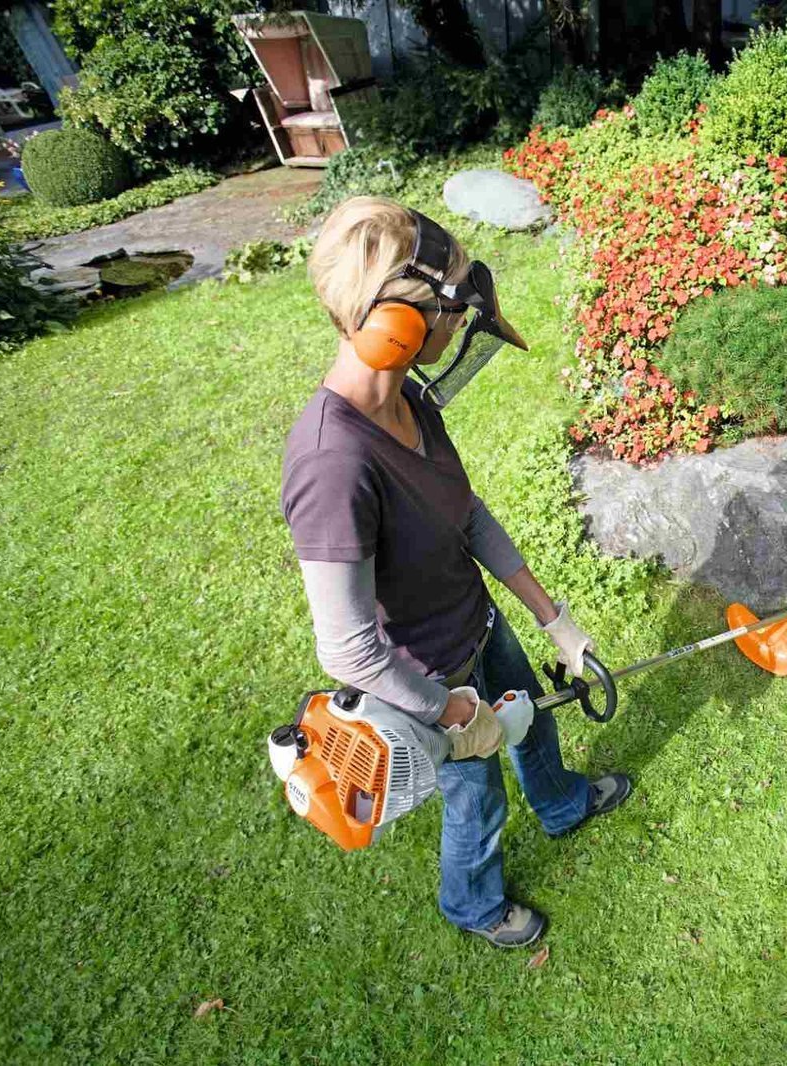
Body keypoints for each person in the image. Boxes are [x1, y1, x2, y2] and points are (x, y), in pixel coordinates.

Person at [279, 196, 631, 949]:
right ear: (401, 323)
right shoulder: (331, 464)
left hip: (477, 622)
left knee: (533, 717)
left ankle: (562, 803)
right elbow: (347, 649)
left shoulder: (408, 398)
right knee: (477, 798)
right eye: (454, 305)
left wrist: (553, 618)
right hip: (425, 679)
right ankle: (472, 903)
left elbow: (464, 513)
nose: (463, 318)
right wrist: (453, 715)